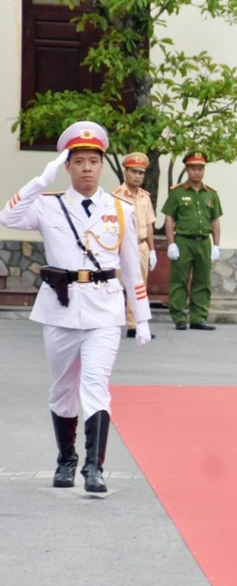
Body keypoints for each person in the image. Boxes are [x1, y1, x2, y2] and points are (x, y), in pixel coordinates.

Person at [0, 121, 151, 493]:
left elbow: (131, 265)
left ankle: (93, 468)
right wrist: (40, 179)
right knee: (63, 388)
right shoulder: (48, 206)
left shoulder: (122, 208)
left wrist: (142, 317)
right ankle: (66, 459)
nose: (86, 168)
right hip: (61, 308)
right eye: (78, 161)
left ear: (102, 166)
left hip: (104, 309)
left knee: (95, 384)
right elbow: (8, 216)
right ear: (67, 166)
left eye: (93, 161)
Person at [162, 151, 222, 331]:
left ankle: (198, 317)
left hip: (203, 241)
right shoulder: (177, 192)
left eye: (200, 168)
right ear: (187, 169)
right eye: (193, 168)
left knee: (202, 281)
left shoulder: (211, 194)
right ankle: (179, 316)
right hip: (183, 240)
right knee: (179, 279)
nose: (197, 172)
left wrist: (216, 244)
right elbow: (169, 218)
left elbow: (215, 220)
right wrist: (171, 242)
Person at [112, 153, 157, 339]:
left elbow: (149, 225)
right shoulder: (116, 197)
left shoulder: (144, 197)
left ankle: (134, 325)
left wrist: (153, 250)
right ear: (125, 172)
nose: (138, 176)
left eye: (141, 173)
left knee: (139, 287)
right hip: (121, 246)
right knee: (116, 285)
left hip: (141, 245)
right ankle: (111, 323)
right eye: (134, 172)